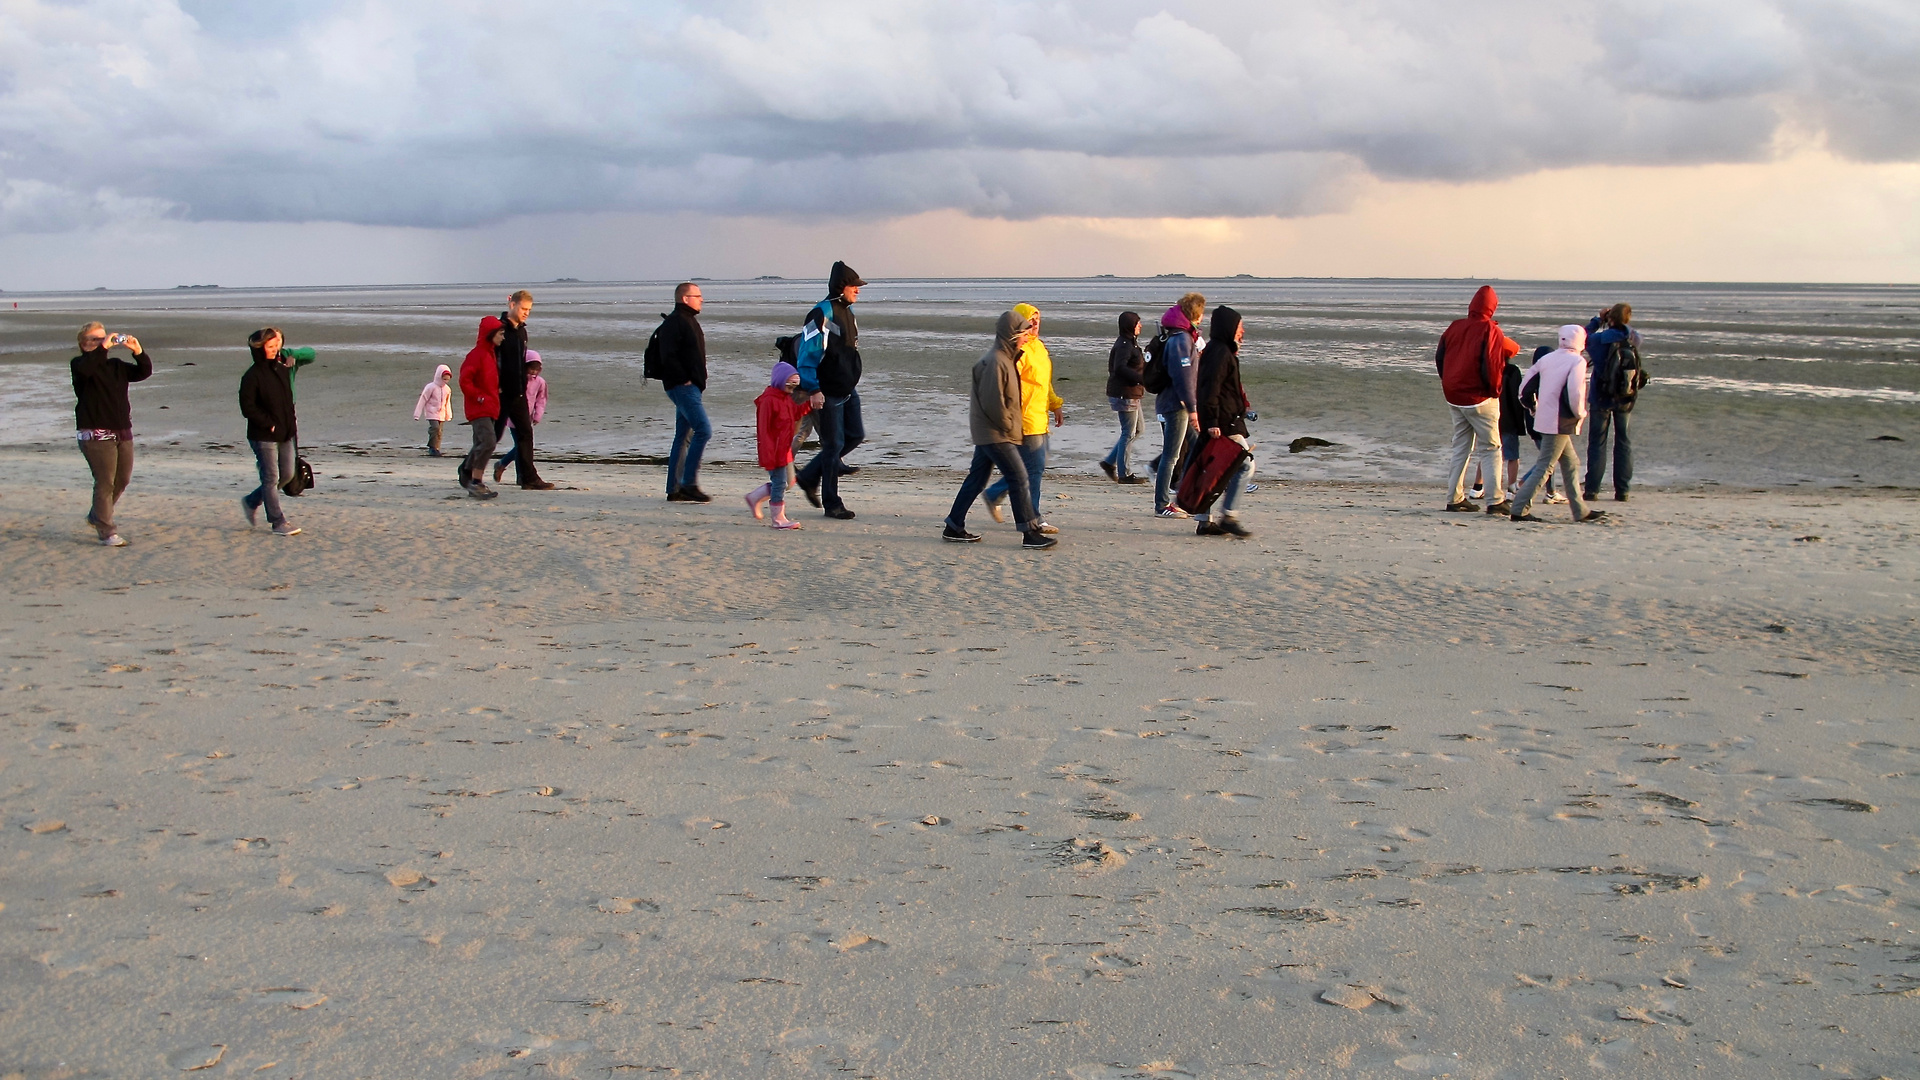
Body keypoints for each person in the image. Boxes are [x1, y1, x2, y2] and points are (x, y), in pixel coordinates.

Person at [942, 309, 1054, 549]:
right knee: (1019, 476)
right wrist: (1012, 429)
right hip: (994, 433)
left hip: (989, 432)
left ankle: (953, 525)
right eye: (1023, 333)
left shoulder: (1005, 357)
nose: (1027, 336)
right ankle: (1030, 533)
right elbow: (995, 405)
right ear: (1012, 334)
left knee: (977, 478)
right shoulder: (996, 361)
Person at [1510, 325, 1606, 524]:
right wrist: (1580, 414)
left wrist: (1534, 409)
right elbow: (1575, 393)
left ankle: (1580, 511)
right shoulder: (1577, 361)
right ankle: (1519, 509)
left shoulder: (1547, 359)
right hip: (1561, 421)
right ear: (1581, 341)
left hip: (1546, 419)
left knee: (1571, 463)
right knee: (1545, 466)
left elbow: (1524, 390)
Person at [1436, 285, 1519, 514]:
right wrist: (1495, 390)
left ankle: (1454, 498)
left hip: (1454, 394)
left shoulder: (1455, 327)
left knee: (1461, 446)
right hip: (1479, 397)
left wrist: (1447, 381)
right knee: (1491, 447)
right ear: (1492, 308)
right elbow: (1494, 363)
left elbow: (1440, 356)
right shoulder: (1489, 330)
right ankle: (1495, 500)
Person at [795, 261, 867, 520]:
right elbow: (808, 354)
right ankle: (832, 503)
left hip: (847, 388)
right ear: (841, 286)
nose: (858, 291)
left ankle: (808, 475)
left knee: (855, 435)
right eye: (854, 286)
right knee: (833, 443)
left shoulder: (848, 312)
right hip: (826, 390)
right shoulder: (821, 312)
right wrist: (814, 389)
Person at [69, 321, 151, 546]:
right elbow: (87, 369)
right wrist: (103, 347)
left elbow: (143, 372)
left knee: (122, 480)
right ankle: (107, 531)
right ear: (85, 344)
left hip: (122, 430)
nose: (103, 342)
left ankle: (97, 515)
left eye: (103, 338)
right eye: (96, 339)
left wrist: (138, 351)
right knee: (104, 481)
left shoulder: (115, 366)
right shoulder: (79, 365)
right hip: (94, 432)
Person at [983, 302, 1064, 530]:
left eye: (1038, 320)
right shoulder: (1017, 349)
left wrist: (1055, 405)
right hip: (1024, 417)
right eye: (1031, 320)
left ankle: (995, 494)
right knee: (1033, 469)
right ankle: (1034, 518)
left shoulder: (1039, 347)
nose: (1035, 324)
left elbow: (1044, 383)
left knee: (1032, 467)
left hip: (1040, 417)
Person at [1193, 306, 1257, 537]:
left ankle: (1204, 520)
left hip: (1225, 419)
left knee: (1213, 468)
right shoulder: (1220, 353)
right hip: (1224, 422)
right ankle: (1229, 515)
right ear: (1229, 328)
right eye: (1239, 327)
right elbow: (1210, 389)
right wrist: (1211, 421)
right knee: (1245, 465)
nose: (1243, 331)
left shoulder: (1220, 351)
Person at [237, 327, 303, 535]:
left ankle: (251, 501)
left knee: (287, 474)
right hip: (263, 435)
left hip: (285, 432)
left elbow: (287, 403)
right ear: (260, 347)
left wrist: (290, 427)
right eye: (270, 346)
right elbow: (247, 407)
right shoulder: (252, 376)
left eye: (277, 345)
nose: (275, 349)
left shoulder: (282, 369)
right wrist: (269, 423)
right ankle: (278, 522)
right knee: (270, 478)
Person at [653, 283, 712, 502]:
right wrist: (684, 380)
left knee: (683, 436)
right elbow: (667, 355)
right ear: (685, 298)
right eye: (697, 296)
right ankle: (689, 484)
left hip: (691, 387)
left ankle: (674, 488)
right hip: (683, 387)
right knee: (703, 430)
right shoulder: (676, 321)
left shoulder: (688, 320)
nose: (701, 299)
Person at [1583, 302, 1645, 503]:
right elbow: (1633, 335)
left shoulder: (1600, 340)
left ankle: (1592, 490)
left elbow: (1581, 337)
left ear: (1610, 319)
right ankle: (1622, 490)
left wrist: (1598, 320)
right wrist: (1617, 320)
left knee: (1597, 443)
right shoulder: (1634, 338)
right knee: (1623, 442)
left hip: (1601, 396)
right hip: (1625, 396)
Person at [1153, 292, 1206, 518]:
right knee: (1171, 455)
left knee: (1195, 447)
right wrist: (1193, 409)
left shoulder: (1182, 336)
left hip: (1179, 403)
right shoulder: (1180, 339)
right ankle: (1162, 504)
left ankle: (1184, 494)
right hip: (1176, 405)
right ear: (1196, 313)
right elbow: (1183, 377)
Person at [495, 290, 553, 490]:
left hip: (518, 392)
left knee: (526, 434)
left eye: (529, 309)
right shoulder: (499, 329)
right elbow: (492, 359)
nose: (526, 312)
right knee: (491, 436)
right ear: (512, 305)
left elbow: (520, 362)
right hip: (502, 393)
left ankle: (529, 478)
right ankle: (467, 470)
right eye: (523, 308)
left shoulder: (522, 331)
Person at [746, 361, 813, 530]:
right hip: (774, 451)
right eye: (789, 386)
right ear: (780, 381)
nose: (792, 390)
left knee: (788, 482)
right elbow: (764, 430)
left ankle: (755, 497)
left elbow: (795, 413)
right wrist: (770, 454)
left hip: (784, 449)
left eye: (794, 388)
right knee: (779, 482)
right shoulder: (769, 401)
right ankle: (778, 518)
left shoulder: (785, 399)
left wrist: (810, 405)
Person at [458, 316, 504, 500]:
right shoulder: (476, 355)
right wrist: (479, 397)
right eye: (501, 334)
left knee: (481, 443)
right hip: (479, 407)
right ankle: (476, 482)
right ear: (491, 334)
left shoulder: (491, 354)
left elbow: (488, 380)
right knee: (488, 442)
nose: (503, 337)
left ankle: (467, 473)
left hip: (490, 406)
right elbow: (464, 380)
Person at [1101, 311, 1150, 484]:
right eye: (1138, 323)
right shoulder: (1124, 345)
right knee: (1128, 433)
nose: (1140, 326)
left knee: (1138, 430)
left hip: (1132, 393)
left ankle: (1109, 462)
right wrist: (1141, 378)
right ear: (1130, 325)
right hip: (1125, 394)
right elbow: (1119, 368)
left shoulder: (1131, 343)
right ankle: (1124, 474)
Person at [493, 352, 547, 483]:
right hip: (514, 417)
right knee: (521, 445)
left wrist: (537, 415)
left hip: (527, 417)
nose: (533, 372)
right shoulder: (517, 380)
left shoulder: (540, 382)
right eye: (531, 368)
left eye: (536, 369)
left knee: (522, 445)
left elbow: (541, 400)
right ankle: (517, 474)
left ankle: (505, 465)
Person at [414, 364, 453, 456]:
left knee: (439, 431)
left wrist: (448, 414)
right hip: (431, 412)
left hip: (442, 413)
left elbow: (447, 403)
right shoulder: (431, 387)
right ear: (439, 376)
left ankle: (436, 448)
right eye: (444, 379)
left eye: (447, 379)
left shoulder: (447, 389)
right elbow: (423, 399)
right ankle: (432, 447)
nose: (445, 381)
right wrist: (417, 414)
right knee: (435, 428)